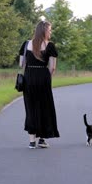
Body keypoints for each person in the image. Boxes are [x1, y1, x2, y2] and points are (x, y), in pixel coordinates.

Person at [19, 20, 60, 149]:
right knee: (44, 108)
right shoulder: (50, 46)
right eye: (50, 30)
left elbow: (21, 64)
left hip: (29, 79)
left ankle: (32, 141)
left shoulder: (26, 44)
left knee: (31, 108)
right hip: (43, 78)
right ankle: (42, 139)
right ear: (44, 31)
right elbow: (52, 67)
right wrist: (45, 77)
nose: (51, 32)